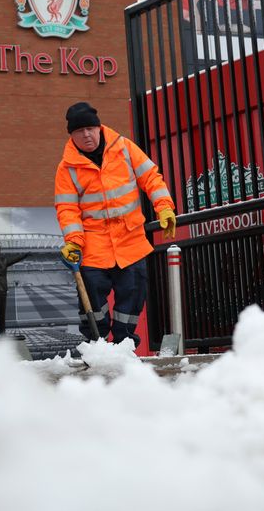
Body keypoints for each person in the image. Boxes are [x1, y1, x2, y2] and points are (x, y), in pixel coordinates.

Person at [54, 102, 177, 347]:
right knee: (92, 300)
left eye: (90, 128)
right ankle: (96, 347)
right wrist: (74, 242)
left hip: (130, 242)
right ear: (72, 135)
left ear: (99, 128)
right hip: (93, 247)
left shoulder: (124, 148)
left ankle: (124, 346)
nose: (86, 135)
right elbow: (67, 210)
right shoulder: (66, 169)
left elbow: (151, 177)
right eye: (80, 131)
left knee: (132, 298)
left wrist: (164, 207)